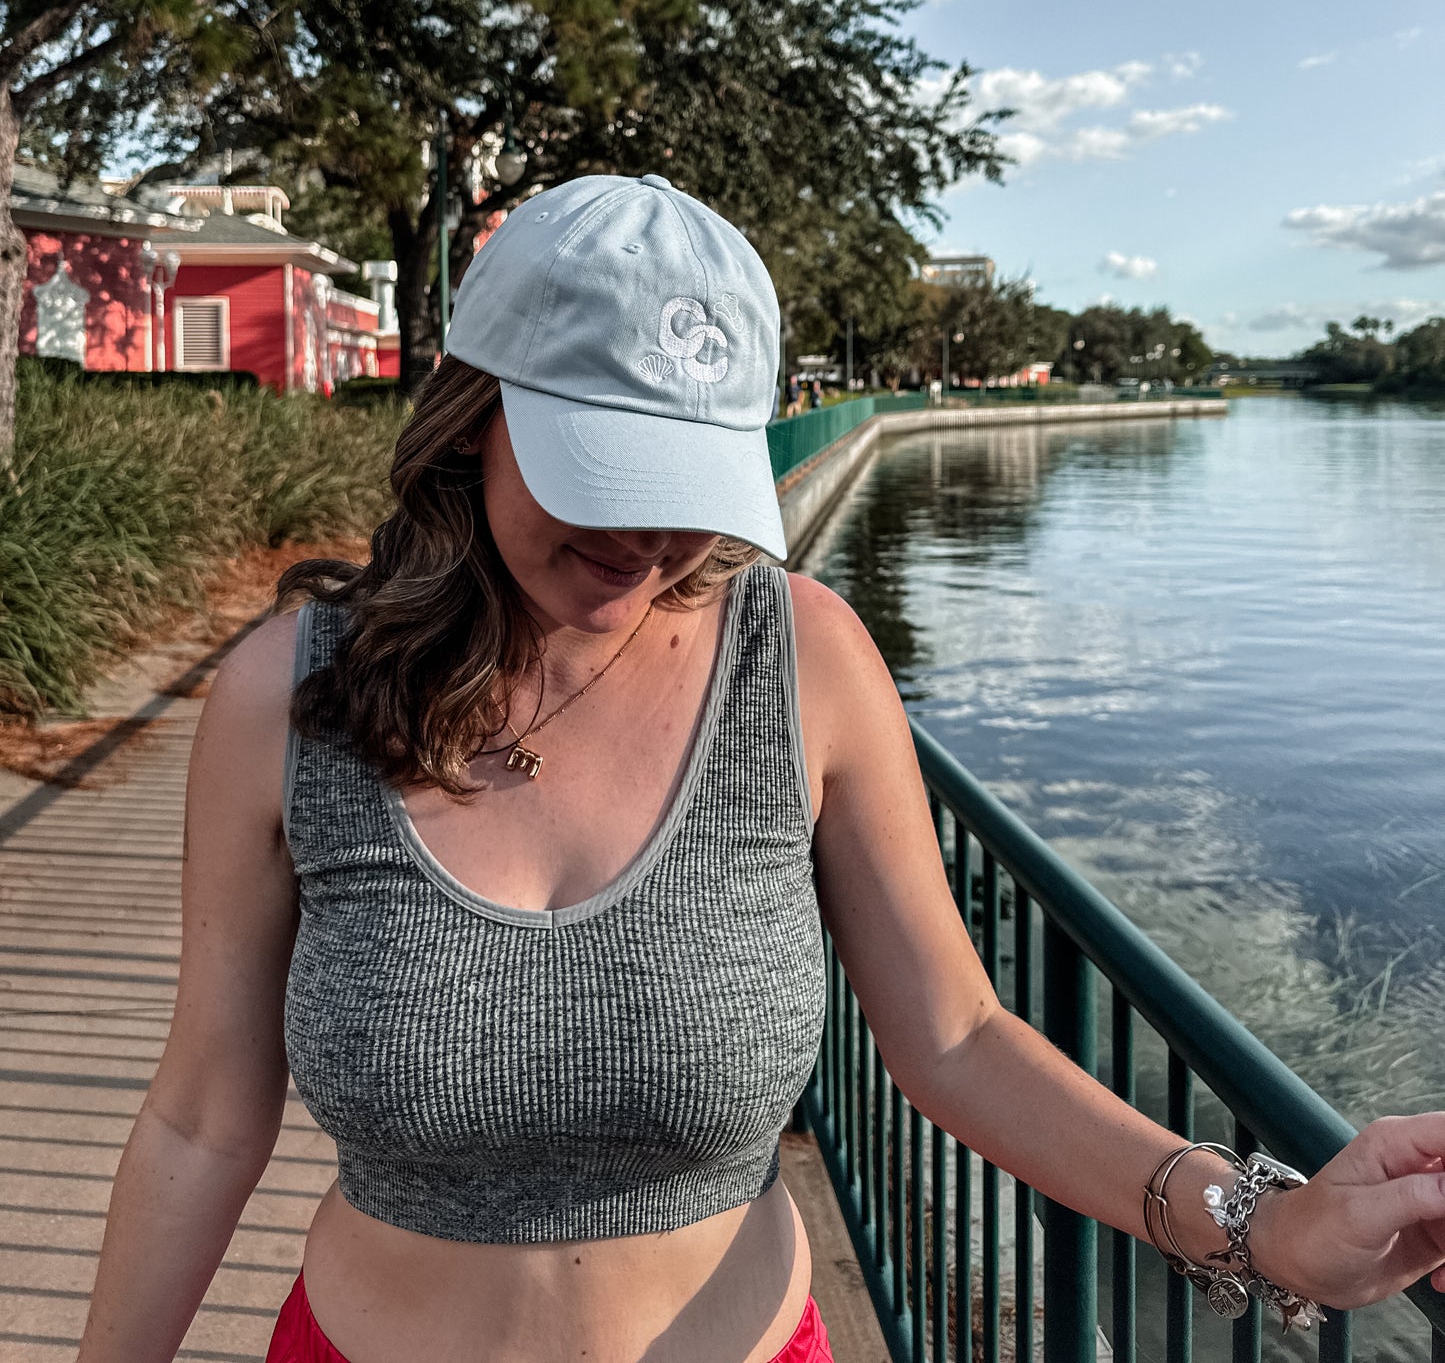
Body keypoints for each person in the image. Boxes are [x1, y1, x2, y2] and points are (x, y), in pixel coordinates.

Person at [79, 173, 1445, 1363]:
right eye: (603, 469)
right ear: (475, 412)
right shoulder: (288, 696)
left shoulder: (800, 659)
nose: (655, 537)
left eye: (692, 479)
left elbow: (958, 1039)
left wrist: (1261, 1225)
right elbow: (202, 1118)